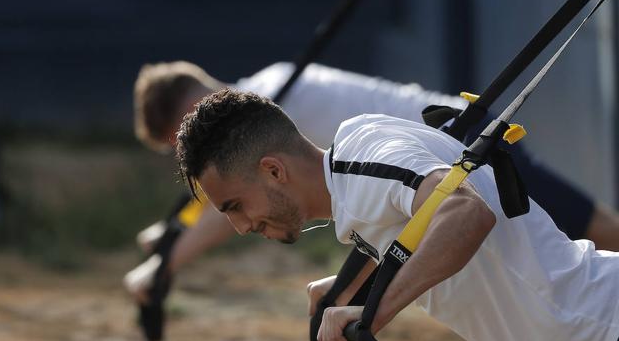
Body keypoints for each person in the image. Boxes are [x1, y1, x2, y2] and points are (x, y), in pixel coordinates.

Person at [124, 60, 619, 303]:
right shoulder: (272, 81)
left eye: (178, 144)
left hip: (463, 151)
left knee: (591, 234)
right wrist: (172, 236)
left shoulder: (272, 105)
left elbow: (232, 203)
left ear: (188, 114)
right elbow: (225, 203)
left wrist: (166, 264)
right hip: (430, 166)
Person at [176, 89, 619, 341]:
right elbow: (422, 235)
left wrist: (374, 311)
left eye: (235, 205)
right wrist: (344, 290)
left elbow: (466, 213)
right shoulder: (357, 186)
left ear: (274, 171)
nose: (239, 226)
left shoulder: (359, 157)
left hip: (604, 326)